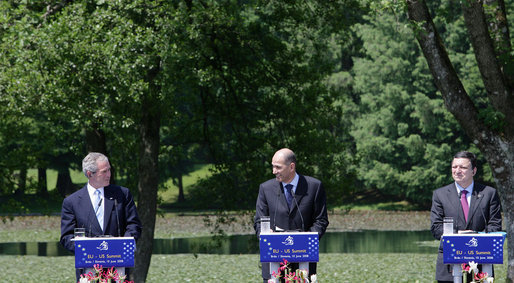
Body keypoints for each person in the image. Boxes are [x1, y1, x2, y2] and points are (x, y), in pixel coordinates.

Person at [60, 152, 142, 281]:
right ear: (89, 174)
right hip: (89, 271)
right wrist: (88, 250)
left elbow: (134, 225)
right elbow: (66, 237)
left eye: (109, 170)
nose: (109, 174)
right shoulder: (72, 202)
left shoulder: (122, 194)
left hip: (118, 268)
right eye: (104, 172)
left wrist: (123, 245)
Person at [254, 148, 329, 283]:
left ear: (292, 167)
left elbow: (321, 221)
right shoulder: (265, 189)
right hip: (274, 263)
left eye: (278, 167)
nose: (274, 171)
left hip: (303, 265)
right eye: (273, 166)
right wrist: (265, 235)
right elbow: (259, 221)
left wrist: (306, 240)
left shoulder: (314, 186)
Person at [430, 151, 502, 282]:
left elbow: (495, 226)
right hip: (449, 262)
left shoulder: (489, 193)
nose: (457, 171)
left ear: (473, 171)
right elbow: (436, 228)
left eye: (462, 167)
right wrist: (457, 234)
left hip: (480, 261)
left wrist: (475, 235)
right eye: (454, 167)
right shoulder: (440, 195)